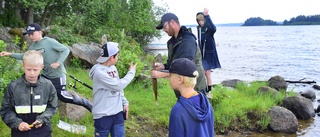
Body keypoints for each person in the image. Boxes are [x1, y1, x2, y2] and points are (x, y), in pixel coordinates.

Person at [0, 23, 92, 112]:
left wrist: (58, 62)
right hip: (45, 75)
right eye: (29, 35)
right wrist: (10, 54)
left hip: (57, 75)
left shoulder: (49, 42)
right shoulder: (33, 46)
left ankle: (85, 102)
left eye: (32, 34)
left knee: (62, 96)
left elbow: (66, 50)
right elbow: (25, 56)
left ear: (40, 32)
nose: (31, 36)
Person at [0, 50, 58, 137]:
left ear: (41, 67)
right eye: (28, 69)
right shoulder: (13, 87)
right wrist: (17, 123)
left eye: (35, 70)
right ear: (23, 66)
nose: (32, 73)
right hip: (20, 132)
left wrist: (42, 119)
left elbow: (52, 107)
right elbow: (6, 110)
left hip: (43, 131)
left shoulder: (48, 85)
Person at [151, 13, 207, 98]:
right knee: (183, 110)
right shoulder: (172, 42)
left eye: (164, 27)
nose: (164, 30)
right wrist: (164, 67)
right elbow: (174, 64)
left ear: (172, 23)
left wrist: (162, 75)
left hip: (194, 88)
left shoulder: (188, 40)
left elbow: (185, 67)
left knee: (196, 111)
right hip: (182, 88)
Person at [89, 42, 137, 137]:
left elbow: (119, 89)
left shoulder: (113, 68)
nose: (118, 58)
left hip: (117, 113)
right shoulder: (99, 72)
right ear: (111, 57)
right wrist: (131, 72)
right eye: (117, 56)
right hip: (103, 116)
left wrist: (125, 103)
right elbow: (118, 85)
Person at [161, 58, 214, 137]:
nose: (169, 78)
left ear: (180, 79)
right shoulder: (206, 104)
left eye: (170, 75)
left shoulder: (178, 110)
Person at [196, 8, 221, 97]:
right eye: (199, 21)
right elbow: (199, 41)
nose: (201, 22)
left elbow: (214, 28)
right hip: (201, 54)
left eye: (202, 20)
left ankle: (209, 91)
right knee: (200, 72)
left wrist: (207, 16)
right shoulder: (198, 29)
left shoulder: (209, 29)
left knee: (207, 72)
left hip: (209, 54)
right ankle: (202, 89)